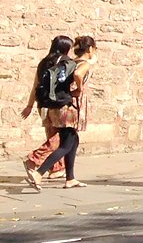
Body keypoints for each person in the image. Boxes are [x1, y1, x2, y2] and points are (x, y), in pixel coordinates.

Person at [27, 37, 96, 189]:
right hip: (70, 108)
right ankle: (39, 172)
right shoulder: (83, 64)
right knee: (66, 144)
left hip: (59, 107)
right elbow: (78, 75)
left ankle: (70, 178)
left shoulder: (69, 61)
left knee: (73, 141)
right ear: (90, 49)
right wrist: (80, 88)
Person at [20, 35, 74, 181]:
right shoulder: (64, 63)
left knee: (51, 133)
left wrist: (30, 105)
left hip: (43, 103)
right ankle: (34, 159)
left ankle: (57, 168)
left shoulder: (43, 63)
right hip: (58, 104)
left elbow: (35, 85)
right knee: (59, 137)